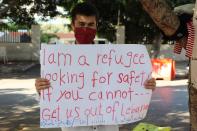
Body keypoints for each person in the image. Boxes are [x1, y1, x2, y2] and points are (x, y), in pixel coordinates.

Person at [35, 2, 156, 131]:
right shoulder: (58, 61)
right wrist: (40, 89)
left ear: (96, 26)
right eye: (81, 24)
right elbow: (50, 99)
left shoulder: (114, 58)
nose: (86, 29)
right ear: (73, 26)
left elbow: (126, 86)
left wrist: (145, 86)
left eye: (90, 24)